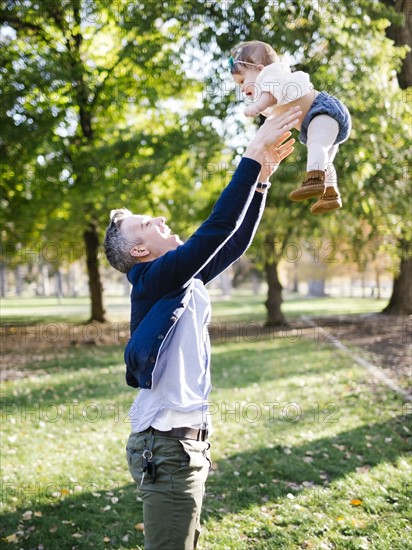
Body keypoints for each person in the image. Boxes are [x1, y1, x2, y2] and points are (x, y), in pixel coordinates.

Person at [103, 107, 301, 550]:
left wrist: (263, 178)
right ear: (138, 248)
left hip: (184, 448)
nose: (156, 217)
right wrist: (251, 152)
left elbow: (232, 241)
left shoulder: (180, 280)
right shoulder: (152, 279)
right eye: (144, 224)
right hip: (167, 450)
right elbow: (216, 229)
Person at [229, 40, 352, 215]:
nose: (242, 88)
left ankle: (314, 180)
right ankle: (330, 195)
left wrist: (256, 108)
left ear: (259, 68)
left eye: (242, 80)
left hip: (323, 110)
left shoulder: (271, 76)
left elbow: (270, 96)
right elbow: (274, 119)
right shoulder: (268, 96)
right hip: (320, 122)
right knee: (324, 157)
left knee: (317, 146)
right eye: (238, 85)